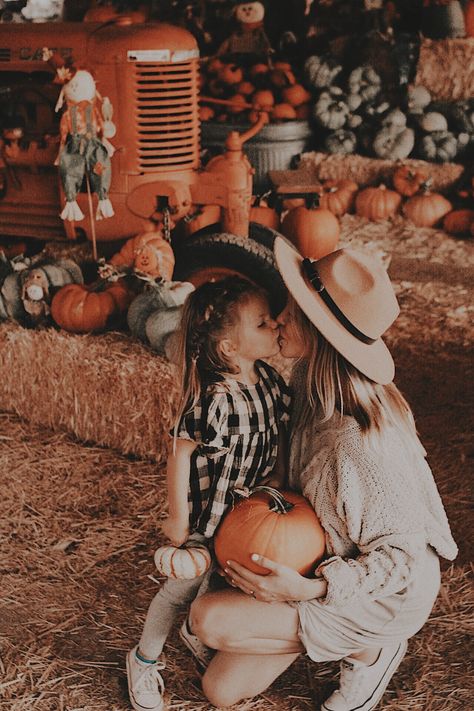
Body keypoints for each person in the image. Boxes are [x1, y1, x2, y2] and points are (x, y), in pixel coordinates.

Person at [186, 237, 458, 711]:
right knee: (221, 691)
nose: (280, 317)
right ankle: (328, 635)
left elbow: (405, 560)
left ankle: (371, 648)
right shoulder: (306, 381)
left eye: (292, 310)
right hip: (327, 556)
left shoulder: (356, 442)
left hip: (384, 592)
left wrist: (309, 590)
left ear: (321, 330)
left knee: (209, 619)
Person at [126, 276, 291, 711]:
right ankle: (143, 658)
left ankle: (195, 632)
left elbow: (282, 438)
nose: (275, 325)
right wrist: (178, 521)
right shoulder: (215, 398)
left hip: (247, 516)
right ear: (229, 348)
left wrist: (276, 481)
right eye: (261, 323)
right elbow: (180, 453)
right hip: (208, 517)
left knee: (224, 582)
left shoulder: (271, 383)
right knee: (179, 589)